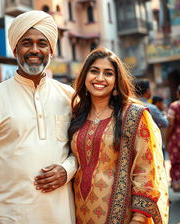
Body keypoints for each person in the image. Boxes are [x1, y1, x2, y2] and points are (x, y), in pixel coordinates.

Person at [0, 10, 77, 223]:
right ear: (16, 49)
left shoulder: (69, 97)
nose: (34, 50)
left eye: (42, 43)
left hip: (62, 214)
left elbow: (84, 150)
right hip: (12, 217)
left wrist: (67, 169)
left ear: (51, 49)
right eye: (27, 43)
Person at [68, 47, 169, 224]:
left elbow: (146, 168)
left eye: (108, 73)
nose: (100, 78)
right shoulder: (76, 114)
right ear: (84, 76)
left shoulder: (133, 115)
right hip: (78, 212)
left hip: (123, 215)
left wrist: (138, 218)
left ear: (116, 80)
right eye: (94, 71)